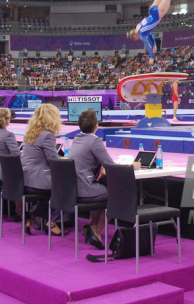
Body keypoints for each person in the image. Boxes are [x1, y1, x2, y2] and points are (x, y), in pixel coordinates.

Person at [68, 109, 140, 250]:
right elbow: (112, 167)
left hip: (74, 188)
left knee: (103, 190)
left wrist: (102, 167)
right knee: (116, 195)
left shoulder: (76, 139)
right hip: (85, 189)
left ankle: (92, 227)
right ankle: (96, 230)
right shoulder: (95, 141)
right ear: (96, 125)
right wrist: (132, 166)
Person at [20, 104, 65, 236]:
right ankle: (52, 222)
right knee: (66, 187)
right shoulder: (47, 135)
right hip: (37, 180)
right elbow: (53, 160)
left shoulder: (30, 134)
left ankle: (31, 216)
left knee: (49, 190)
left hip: (26, 179)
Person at [127, 0, 178, 65]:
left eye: (135, 39)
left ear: (135, 36)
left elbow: (147, 44)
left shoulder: (141, 34)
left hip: (157, 15)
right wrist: (155, 44)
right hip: (152, 11)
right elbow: (150, 35)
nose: (138, 40)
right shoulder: (139, 26)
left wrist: (151, 57)